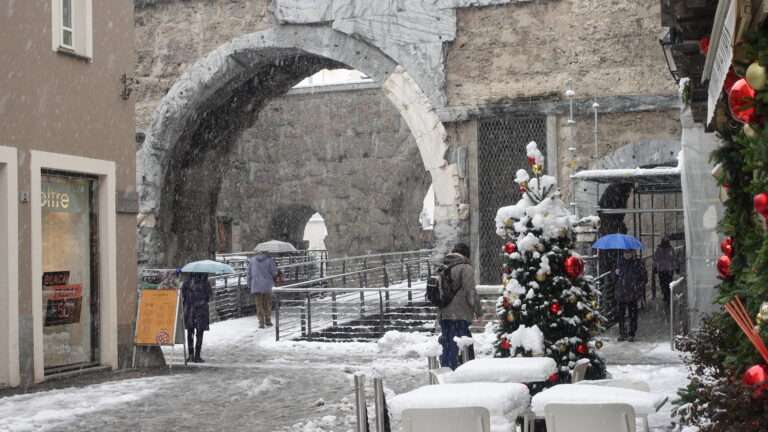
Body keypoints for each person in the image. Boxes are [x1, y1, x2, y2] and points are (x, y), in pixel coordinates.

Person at [438, 243, 483, 370]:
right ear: (467, 255)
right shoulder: (465, 268)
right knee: (458, 344)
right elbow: (470, 292)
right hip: (459, 314)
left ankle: (447, 370)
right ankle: (456, 373)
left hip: (444, 314)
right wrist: (478, 311)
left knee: (448, 344)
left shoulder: (443, 267)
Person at [614, 250, 647, 342]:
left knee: (633, 314)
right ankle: (622, 333)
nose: (627, 254)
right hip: (621, 293)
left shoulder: (637, 263)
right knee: (621, 315)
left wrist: (638, 287)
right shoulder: (619, 263)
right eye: (625, 252)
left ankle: (631, 333)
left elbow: (644, 277)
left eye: (629, 252)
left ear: (632, 253)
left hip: (633, 293)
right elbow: (613, 279)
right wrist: (615, 274)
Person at [182, 272, 212, 363]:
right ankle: (197, 355)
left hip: (190, 309)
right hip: (201, 310)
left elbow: (183, 295)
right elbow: (209, 296)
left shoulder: (187, 282)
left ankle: (191, 355)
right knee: (200, 333)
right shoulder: (205, 282)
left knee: (190, 332)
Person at [248, 251, 281, 329]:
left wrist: (249, 284)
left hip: (256, 285)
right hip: (267, 285)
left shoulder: (252, 260)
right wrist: (276, 269)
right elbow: (274, 273)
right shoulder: (269, 260)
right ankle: (268, 320)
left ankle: (261, 322)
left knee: (259, 304)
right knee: (267, 303)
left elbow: (249, 273)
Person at [653, 237, 675, 303]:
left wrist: (655, 268)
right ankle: (666, 295)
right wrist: (655, 268)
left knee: (666, 283)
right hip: (664, 269)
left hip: (666, 270)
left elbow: (673, 259)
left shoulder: (668, 249)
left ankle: (667, 296)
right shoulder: (667, 249)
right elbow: (656, 259)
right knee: (665, 283)